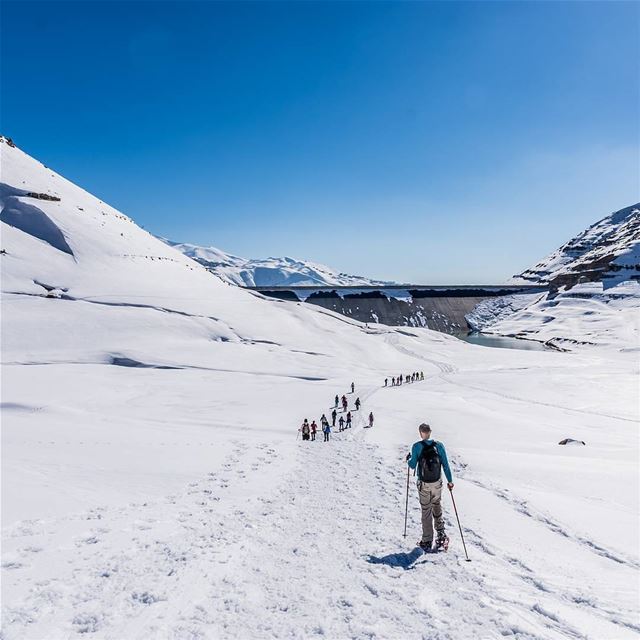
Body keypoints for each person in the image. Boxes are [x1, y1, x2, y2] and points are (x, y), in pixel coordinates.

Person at [406, 423, 453, 552]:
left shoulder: (416, 446)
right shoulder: (439, 445)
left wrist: (408, 459)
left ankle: (427, 540)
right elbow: (446, 465)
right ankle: (441, 535)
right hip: (437, 483)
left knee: (426, 510)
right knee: (436, 505)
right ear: (430, 432)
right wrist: (450, 481)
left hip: (424, 484)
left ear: (421, 432)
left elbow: (412, 465)